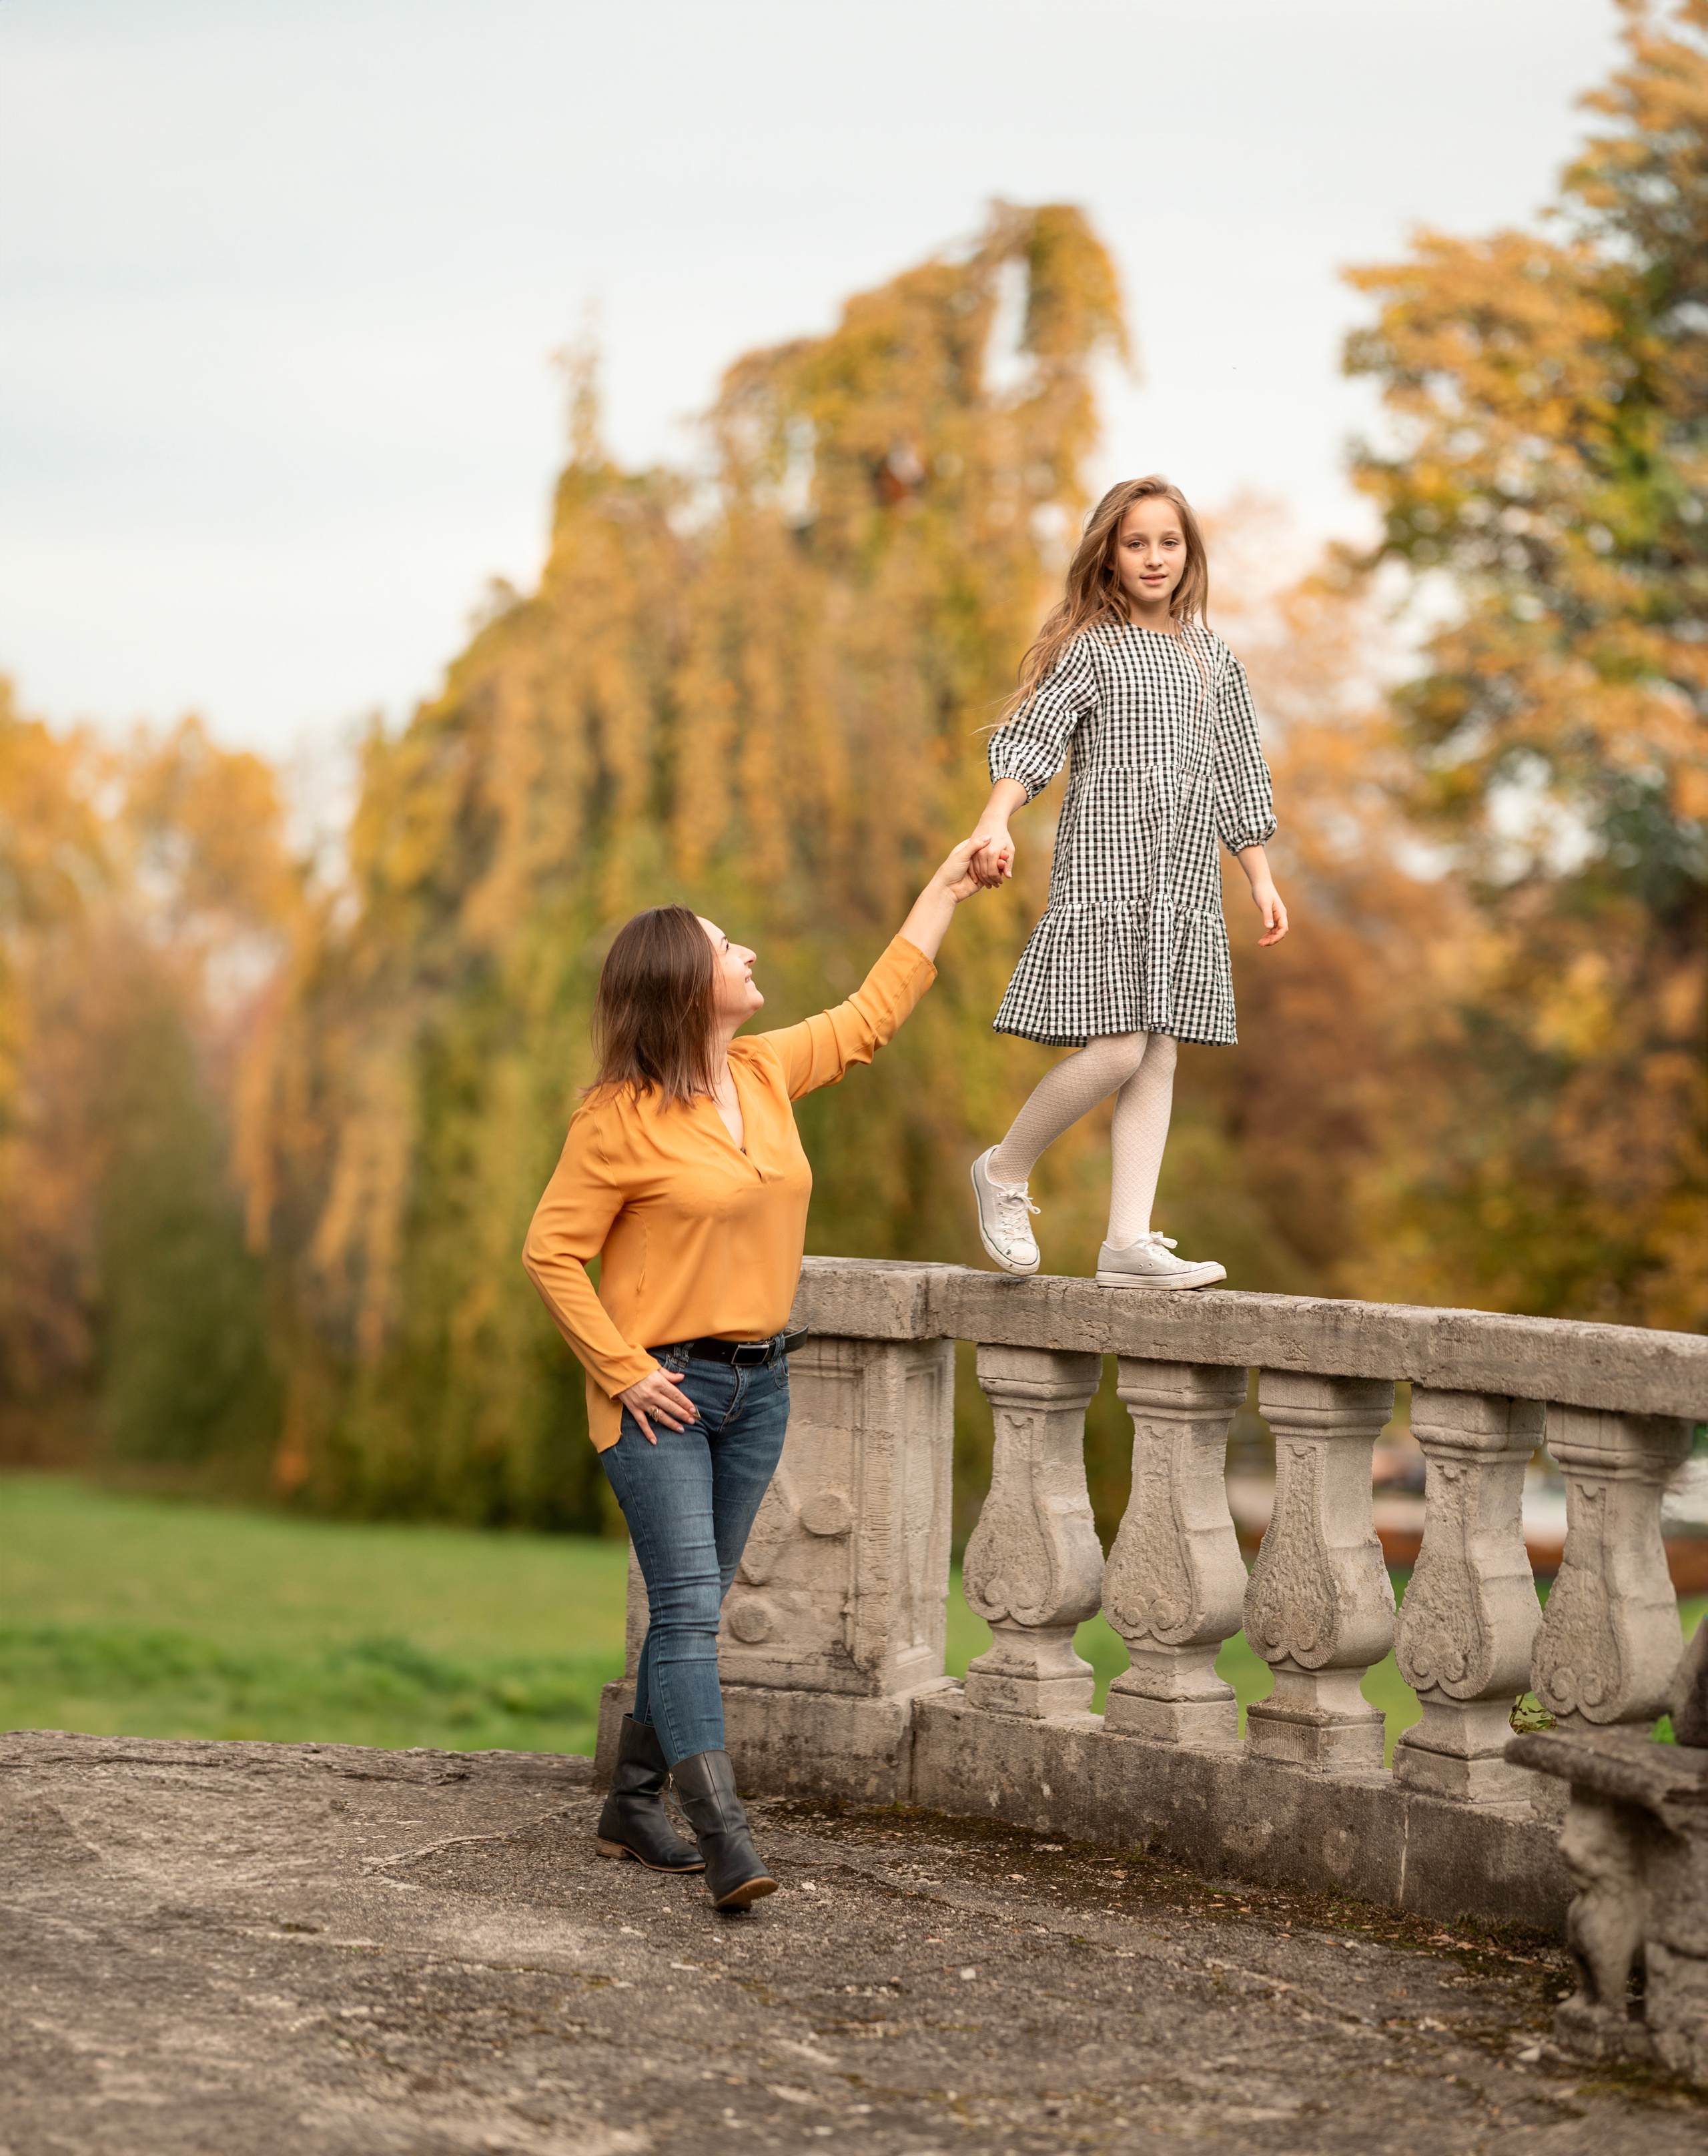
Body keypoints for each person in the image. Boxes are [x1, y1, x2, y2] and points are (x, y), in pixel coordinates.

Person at [522, 841, 987, 1908]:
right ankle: (725, 1835)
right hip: (663, 1400)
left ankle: (632, 1804)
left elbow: (873, 1012)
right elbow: (551, 1251)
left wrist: (946, 889)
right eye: (729, 948)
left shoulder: (764, 1071)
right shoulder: (614, 1120)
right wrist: (622, 1368)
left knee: (700, 1603)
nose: (750, 952)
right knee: (687, 1612)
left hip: (759, 1386)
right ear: (688, 988)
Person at [965, 475, 1288, 1288]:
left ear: (1189, 553)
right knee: (1115, 1048)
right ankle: (1004, 1170)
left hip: (1181, 882)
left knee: (1158, 1051)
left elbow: (1236, 771)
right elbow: (1032, 736)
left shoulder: (1215, 660)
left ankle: (1126, 1242)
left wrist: (1258, 874)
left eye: (1168, 542)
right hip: (1105, 870)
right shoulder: (1095, 649)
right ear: (1109, 554)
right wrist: (995, 819)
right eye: (1136, 542)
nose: (1153, 557)